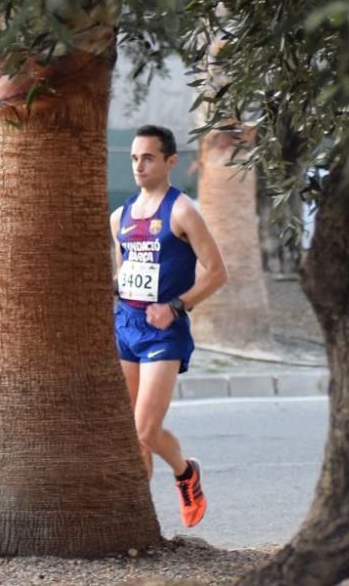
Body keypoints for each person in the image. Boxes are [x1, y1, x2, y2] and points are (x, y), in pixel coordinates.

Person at [110, 124, 228, 528]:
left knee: (145, 427)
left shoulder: (182, 211)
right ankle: (137, 518)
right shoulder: (119, 216)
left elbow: (216, 273)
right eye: (134, 158)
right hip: (126, 324)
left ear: (169, 162)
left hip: (163, 330)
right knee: (129, 432)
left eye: (148, 158)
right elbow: (125, 271)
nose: (139, 166)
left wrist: (175, 307)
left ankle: (185, 472)